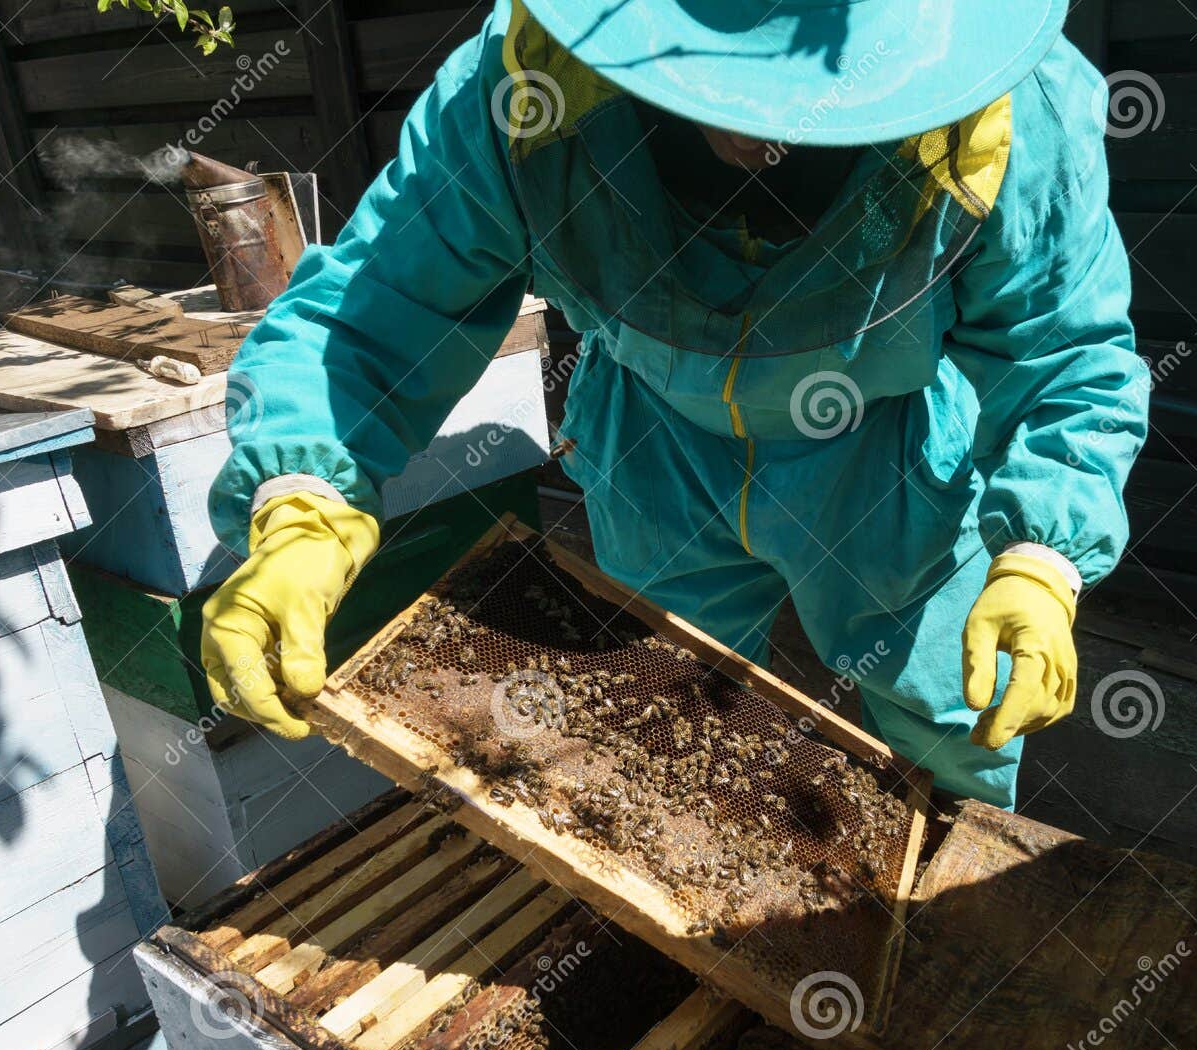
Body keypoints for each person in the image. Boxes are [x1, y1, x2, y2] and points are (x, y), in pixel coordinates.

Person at [200, 0, 1148, 809]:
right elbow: (375, 304)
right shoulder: (525, 91)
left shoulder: (1015, 112)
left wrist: (1039, 557)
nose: (750, 124)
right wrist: (300, 491)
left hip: (887, 457)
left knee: (953, 724)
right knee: (671, 723)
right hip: (656, 446)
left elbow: (1063, 349)